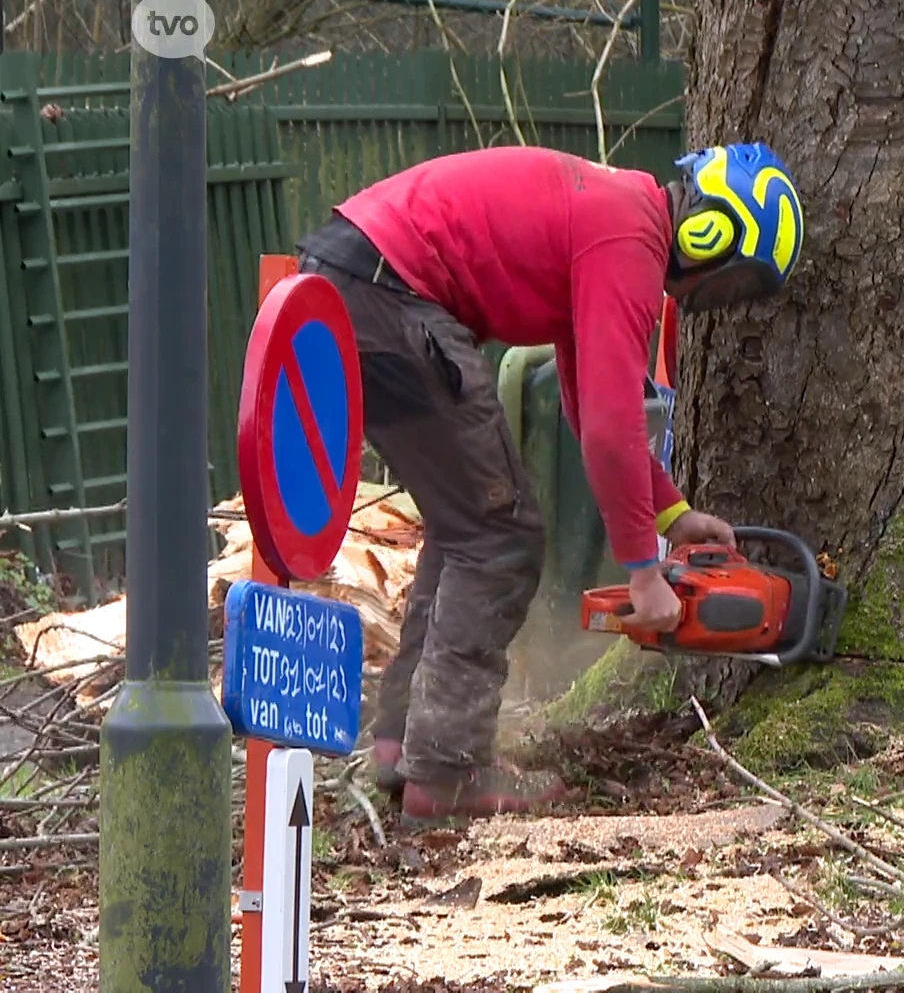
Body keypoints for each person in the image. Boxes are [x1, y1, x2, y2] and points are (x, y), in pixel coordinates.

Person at [292, 141, 805, 820]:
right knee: (499, 537)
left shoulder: (610, 217)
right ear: (710, 226)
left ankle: (402, 743)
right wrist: (644, 572)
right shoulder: (630, 236)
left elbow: (586, 405)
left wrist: (671, 517)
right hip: (388, 293)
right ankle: (446, 771)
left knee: (469, 525)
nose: (718, 297)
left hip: (354, 279)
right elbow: (610, 427)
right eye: (733, 279)